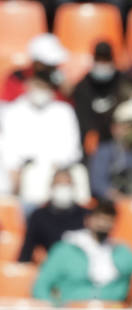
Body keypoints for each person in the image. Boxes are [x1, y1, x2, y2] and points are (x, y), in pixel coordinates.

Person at [0, 50, 82, 206]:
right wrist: (16, 169)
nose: (41, 89)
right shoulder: (12, 111)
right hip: (23, 171)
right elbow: (7, 147)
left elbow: (72, 147)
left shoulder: (64, 111)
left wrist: (57, 166)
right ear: (28, 85)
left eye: (45, 86)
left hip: (57, 170)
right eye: (37, 84)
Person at [31, 199, 132, 305]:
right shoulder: (64, 250)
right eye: (99, 218)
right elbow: (41, 286)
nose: (103, 223)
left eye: (109, 219)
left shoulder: (122, 252)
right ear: (88, 220)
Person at [72, 41, 132, 147]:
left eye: (105, 59)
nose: (102, 64)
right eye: (99, 59)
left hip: (120, 140)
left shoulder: (123, 82)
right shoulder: (83, 86)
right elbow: (82, 118)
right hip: (92, 143)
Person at [18, 168, 87, 262]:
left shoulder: (86, 215)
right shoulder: (39, 216)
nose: (63, 188)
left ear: (73, 187)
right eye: (59, 184)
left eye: (67, 185)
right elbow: (27, 248)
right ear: (51, 187)